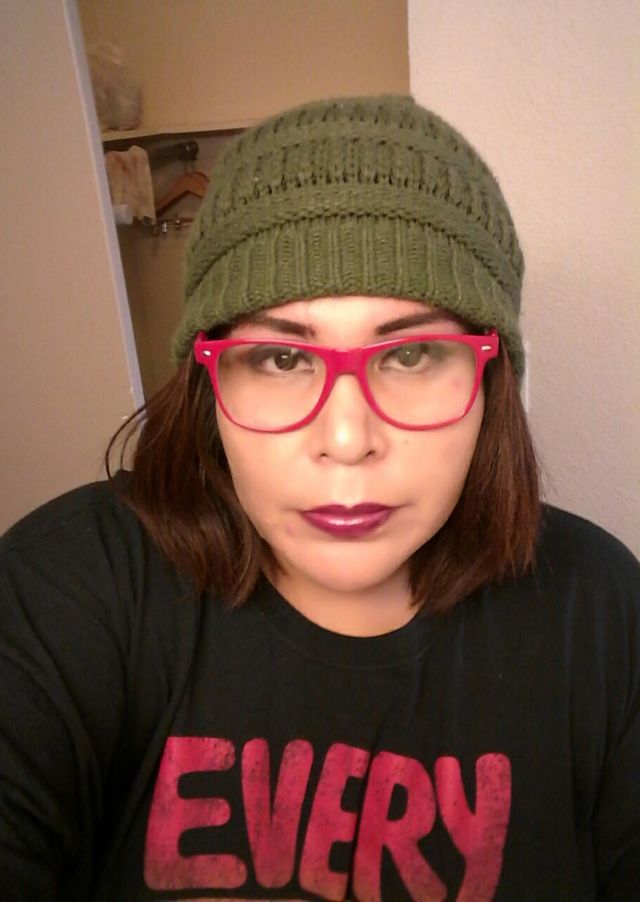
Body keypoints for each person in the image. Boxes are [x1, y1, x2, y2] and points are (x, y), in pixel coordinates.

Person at [0, 95, 638, 901]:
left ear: (491, 380)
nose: (345, 438)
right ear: (207, 379)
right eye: (281, 359)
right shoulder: (68, 591)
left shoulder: (598, 611)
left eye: (411, 354)